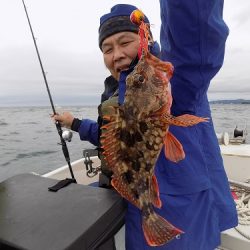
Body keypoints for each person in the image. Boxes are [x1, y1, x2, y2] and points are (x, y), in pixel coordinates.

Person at [53, 1, 238, 249]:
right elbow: (112, 136)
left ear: (144, 40)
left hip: (181, 220)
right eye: (107, 48)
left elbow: (193, 38)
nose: (116, 54)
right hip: (131, 209)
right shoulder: (116, 94)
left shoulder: (175, 79)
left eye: (125, 42)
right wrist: (74, 123)